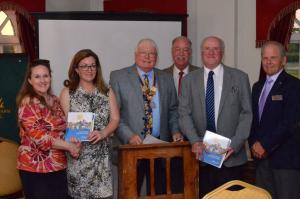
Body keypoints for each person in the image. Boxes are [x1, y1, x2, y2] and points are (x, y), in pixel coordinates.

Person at [178, 36, 252, 197]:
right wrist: (195, 141)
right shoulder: (189, 80)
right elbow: (184, 114)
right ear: (201, 52)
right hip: (201, 157)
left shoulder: (239, 77)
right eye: (207, 48)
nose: (211, 52)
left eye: (216, 49)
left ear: (222, 52)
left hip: (231, 157)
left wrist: (236, 143)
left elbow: (247, 114)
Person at [110, 38, 182, 196]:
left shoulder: (166, 77)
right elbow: (115, 113)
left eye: (152, 53)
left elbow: (173, 110)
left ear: (157, 57)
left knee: (159, 193)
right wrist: (129, 136)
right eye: (144, 53)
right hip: (131, 148)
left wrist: (176, 131)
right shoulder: (119, 77)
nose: (148, 57)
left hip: (159, 148)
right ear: (135, 55)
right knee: (130, 193)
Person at [60, 49, 120, 199]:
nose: (89, 69)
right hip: (77, 158)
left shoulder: (107, 92)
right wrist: (71, 138)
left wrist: (103, 133)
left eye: (93, 65)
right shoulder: (68, 92)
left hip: (102, 161)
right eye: (84, 66)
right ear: (76, 70)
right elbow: (63, 125)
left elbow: (115, 119)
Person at [16, 59, 80, 199]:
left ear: (50, 77)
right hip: (35, 169)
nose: (42, 80)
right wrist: (69, 146)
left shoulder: (56, 100)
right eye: (37, 76)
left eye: (45, 76)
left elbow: (63, 130)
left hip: (59, 166)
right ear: (30, 80)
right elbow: (41, 139)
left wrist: (74, 140)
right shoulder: (27, 103)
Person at [249, 41, 300, 199]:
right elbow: (253, 121)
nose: (268, 62)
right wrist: (253, 144)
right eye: (265, 58)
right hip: (261, 161)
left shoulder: (294, 86)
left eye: (273, 58)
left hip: (285, 162)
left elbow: (289, 122)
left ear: (283, 60)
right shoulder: (257, 86)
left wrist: (264, 144)